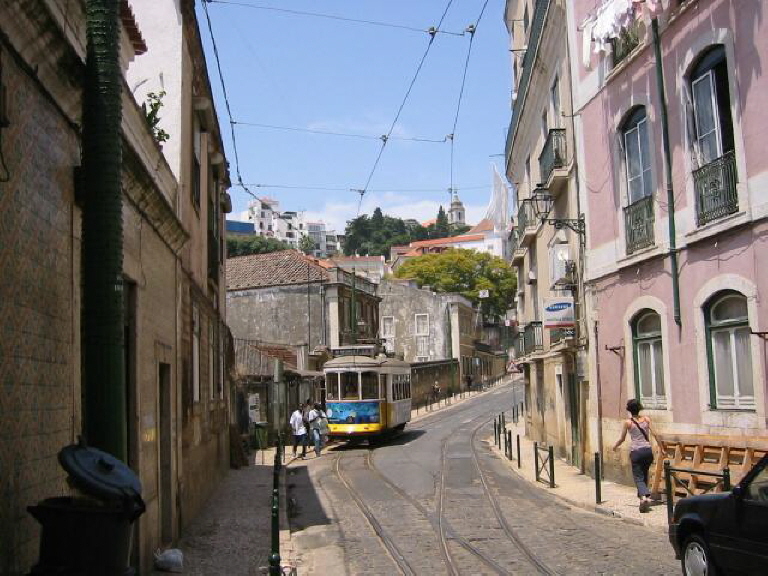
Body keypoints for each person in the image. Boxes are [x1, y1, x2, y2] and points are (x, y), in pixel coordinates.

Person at [613, 399, 654, 512]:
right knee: (644, 474)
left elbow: (622, 439)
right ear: (639, 408)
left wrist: (615, 446)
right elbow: (655, 434)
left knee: (638, 476)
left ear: (629, 410)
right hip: (648, 451)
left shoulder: (628, 423)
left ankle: (644, 497)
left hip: (636, 452)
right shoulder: (647, 419)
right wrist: (661, 448)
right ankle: (643, 498)